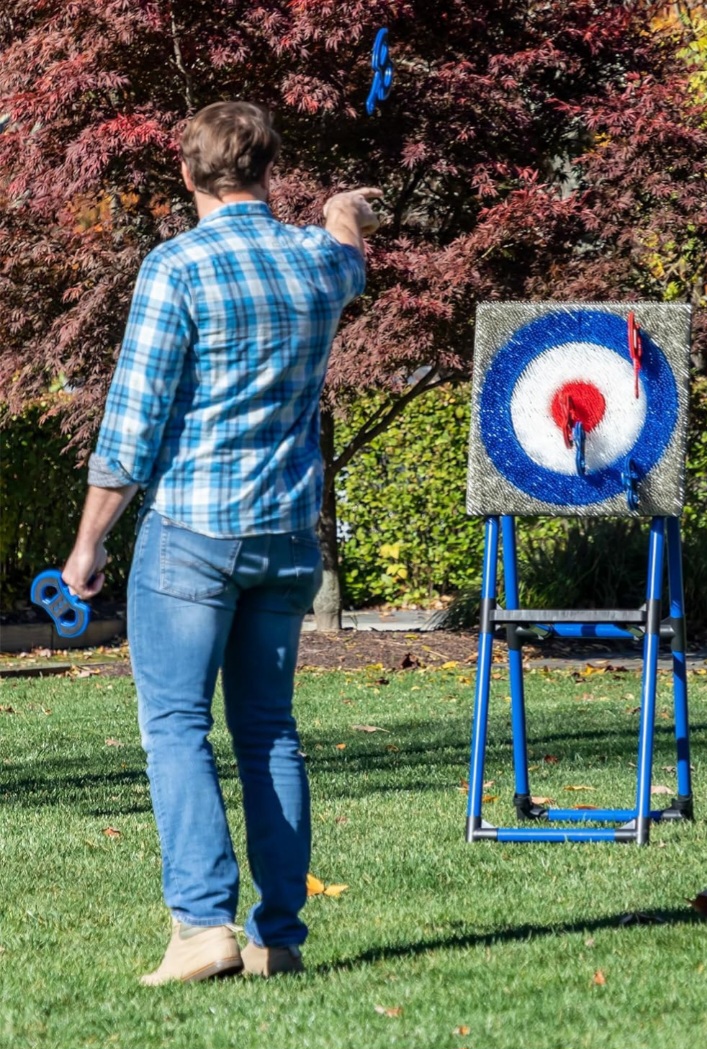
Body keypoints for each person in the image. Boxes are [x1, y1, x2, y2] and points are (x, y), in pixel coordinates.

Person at [62, 100, 381, 985]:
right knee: (269, 731)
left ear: (186, 173)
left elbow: (132, 424)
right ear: (270, 170)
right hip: (286, 535)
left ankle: (203, 927)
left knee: (176, 725)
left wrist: (89, 543)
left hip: (193, 534)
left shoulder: (176, 268)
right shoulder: (316, 261)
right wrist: (342, 212)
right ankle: (278, 936)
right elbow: (349, 259)